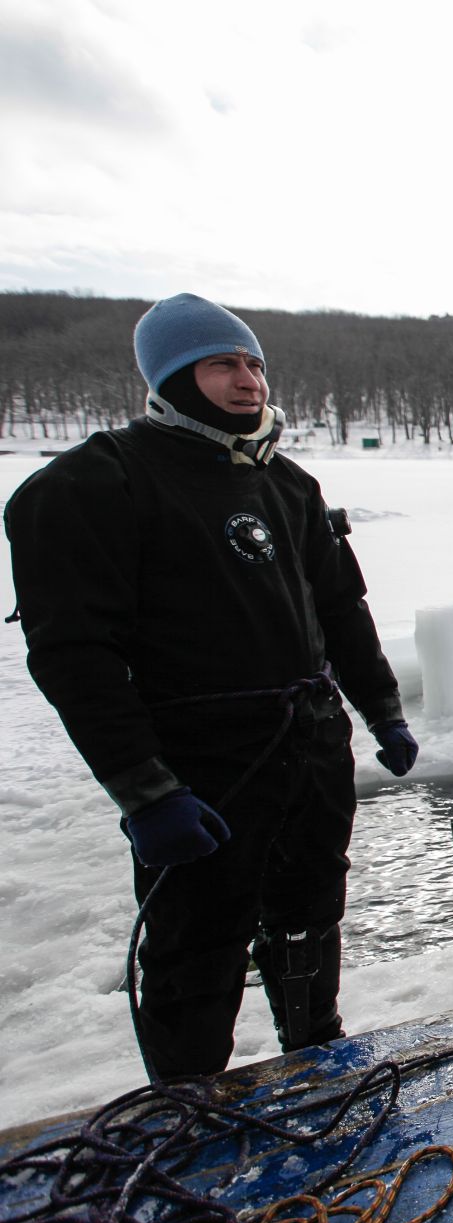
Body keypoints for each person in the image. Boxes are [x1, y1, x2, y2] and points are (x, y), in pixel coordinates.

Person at [3, 293, 417, 1082]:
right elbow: (73, 656)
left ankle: (315, 1068)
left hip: (308, 747)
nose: (247, 380)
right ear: (169, 376)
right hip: (202, 767)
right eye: (222, 364)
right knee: (198, 947)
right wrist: (147, 792)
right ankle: (189, 1109)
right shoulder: (97, 484)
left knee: (309, 919)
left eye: (254, 363)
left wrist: (382, 711)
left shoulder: (288, 485)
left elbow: (342, 612)